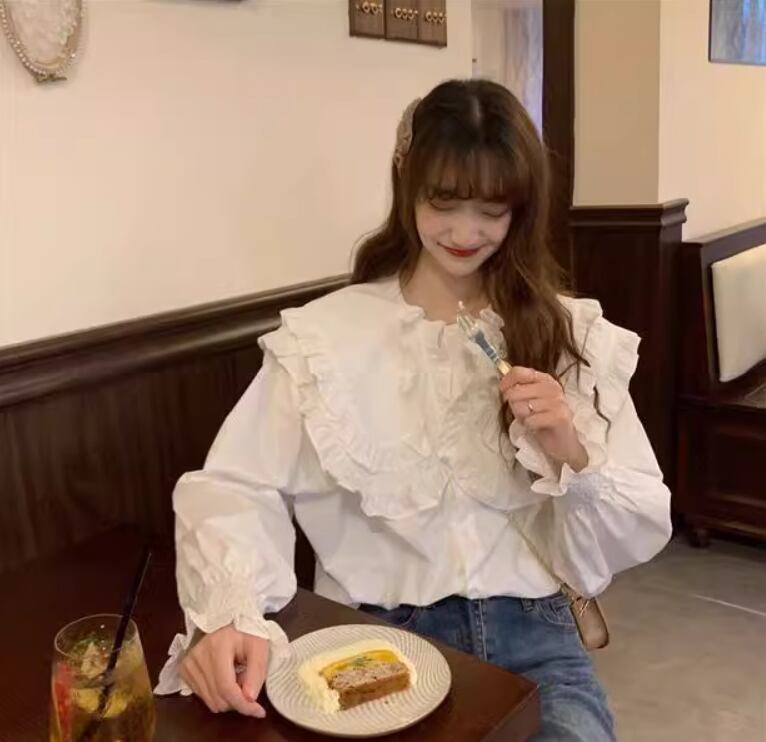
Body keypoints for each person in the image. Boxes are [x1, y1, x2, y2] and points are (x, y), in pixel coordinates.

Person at [155, 79, 672, 741]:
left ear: (521, 208)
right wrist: (231, 611)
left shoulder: (570, 334)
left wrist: (568, 448)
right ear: (408, 186)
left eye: (492, 209)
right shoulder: (326, 338)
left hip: (536, 639)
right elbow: (234, 484)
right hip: (371, 640)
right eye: (443, 202)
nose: (465, 232)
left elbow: (642, 516)